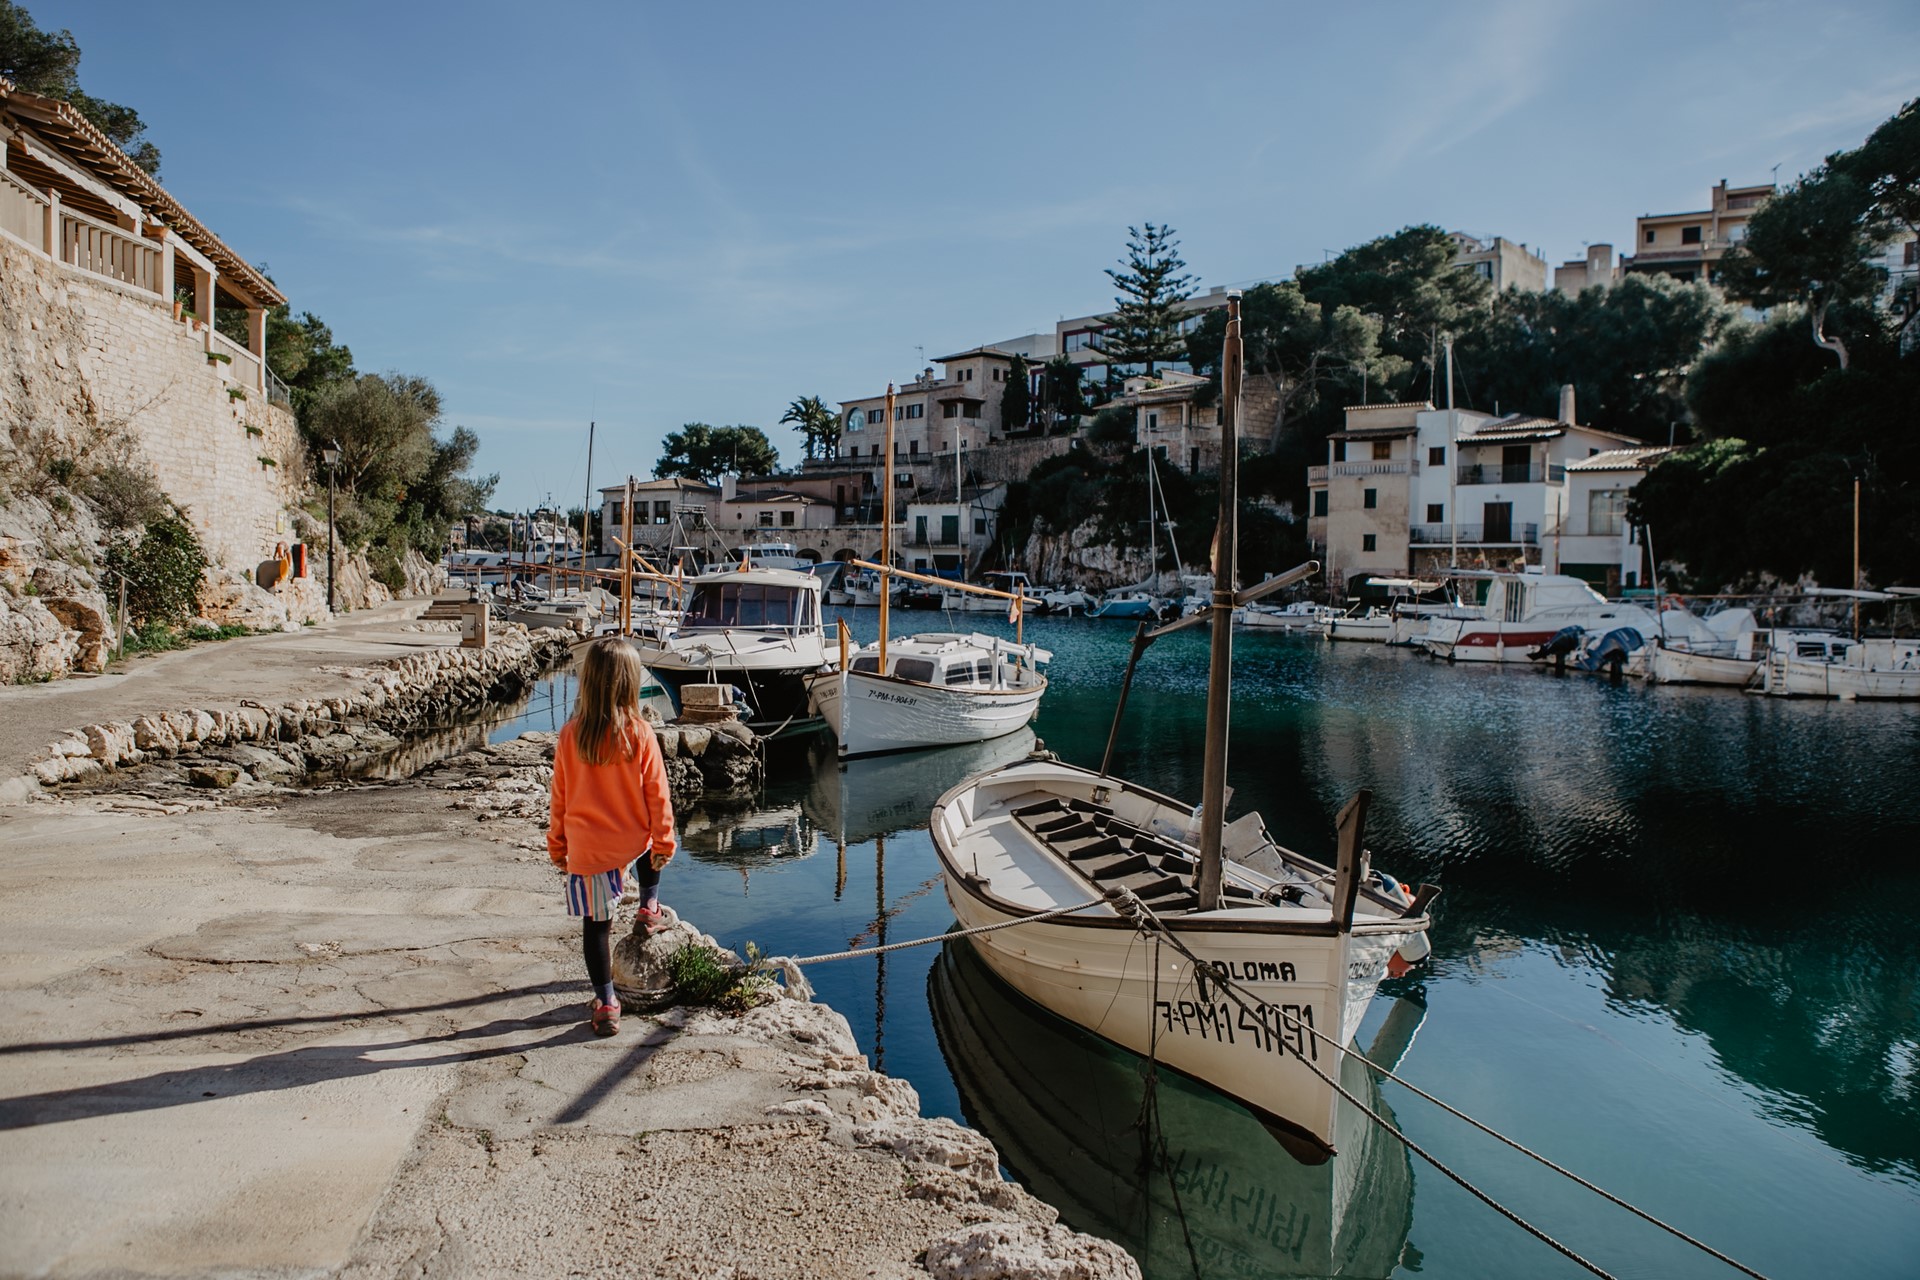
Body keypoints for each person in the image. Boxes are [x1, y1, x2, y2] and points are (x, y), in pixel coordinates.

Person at [547, 637, 677, 1037]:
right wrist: (664, 842)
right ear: (630, 683)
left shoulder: (571, 736)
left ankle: (606, 1002)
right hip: (632, 841)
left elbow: (560, 798)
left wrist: (559, 846)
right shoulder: (640, 734)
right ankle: (648, 906)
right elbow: (658, 795)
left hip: (590, 851)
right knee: (649, 843)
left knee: (596, 927)